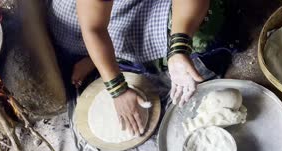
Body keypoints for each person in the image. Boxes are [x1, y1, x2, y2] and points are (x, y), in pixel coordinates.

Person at [48, 0, 212, 136]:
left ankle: (104, 57)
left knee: (210, 18)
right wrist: (118, 90)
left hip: (133, 6)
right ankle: (98, 56)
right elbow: (93, 29)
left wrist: (178, 49)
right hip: (84, 24)